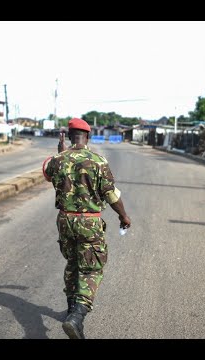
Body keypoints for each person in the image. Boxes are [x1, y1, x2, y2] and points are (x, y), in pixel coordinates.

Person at [43, 117, 131, 339]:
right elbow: (111, 195)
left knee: (72, 263)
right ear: (88, 137)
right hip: (89, 223)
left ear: (70, 137)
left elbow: (47, 173)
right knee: (91, 268)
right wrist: (124, 215)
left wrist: (60, 153)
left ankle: (72, 310)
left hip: (65, 221)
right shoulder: (98, 161)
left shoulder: (58, 159)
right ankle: (77, 316)